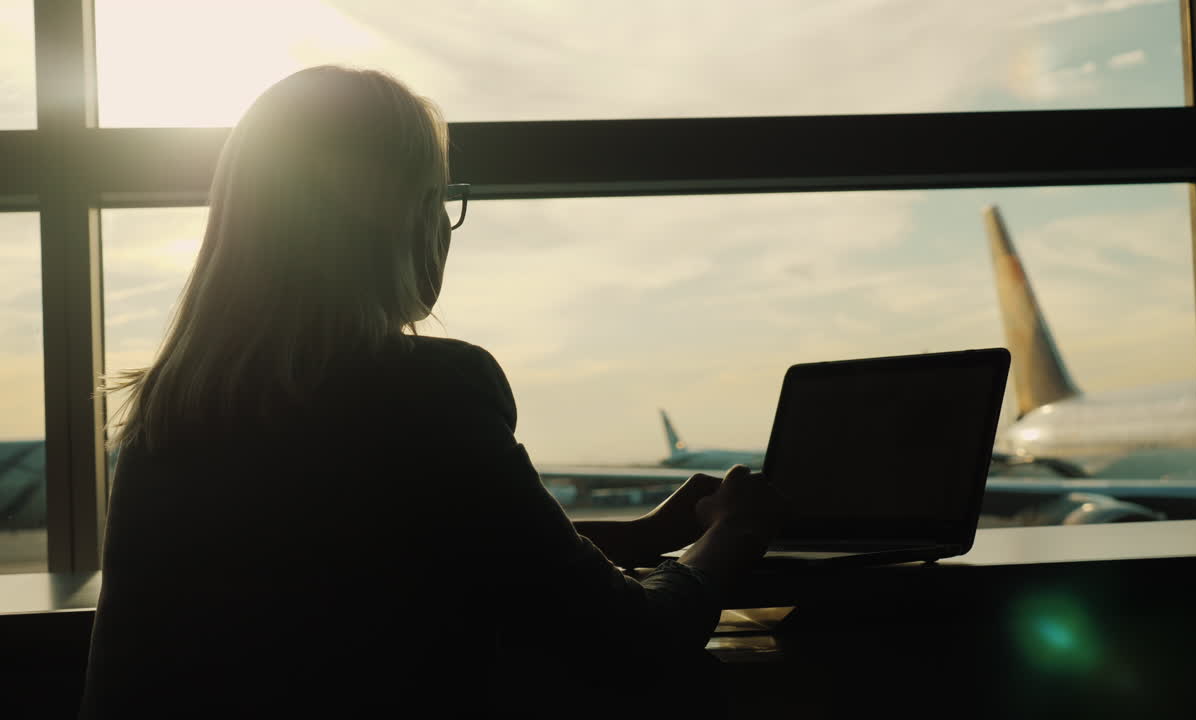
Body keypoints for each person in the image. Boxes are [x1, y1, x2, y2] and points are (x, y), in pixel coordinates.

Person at [79, 66, 786, 718]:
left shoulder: (176, 407)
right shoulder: (428, 392)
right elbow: (631, 642)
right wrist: (727, 538)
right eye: (440, 200)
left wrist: (642, 537)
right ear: (405, 220)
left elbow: (373, 549)